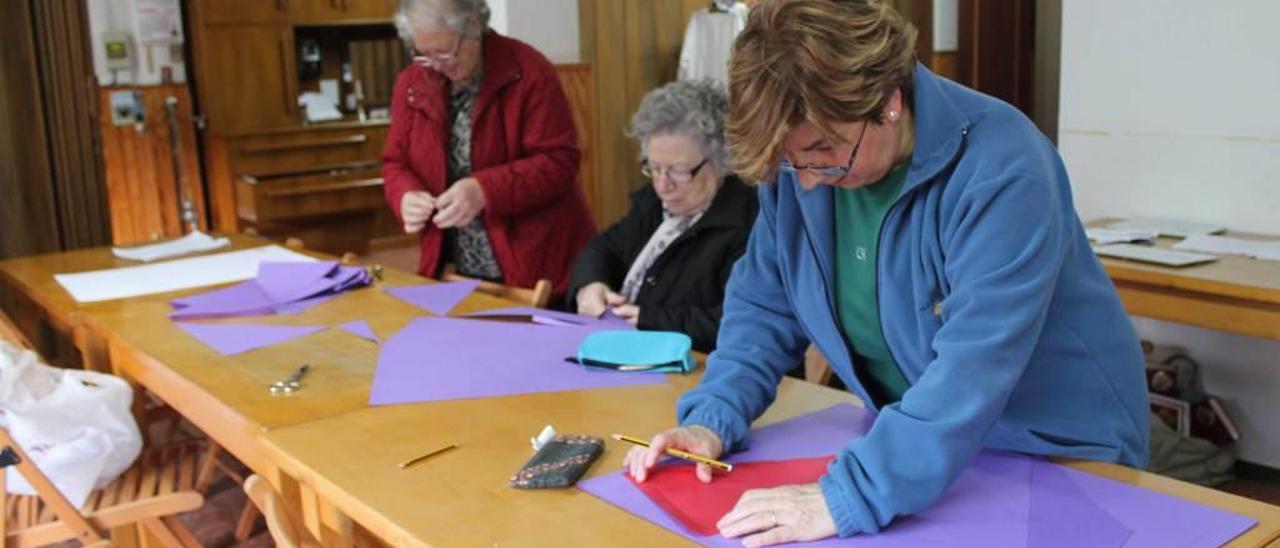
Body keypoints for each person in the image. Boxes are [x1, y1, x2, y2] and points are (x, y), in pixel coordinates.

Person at [624, 1, 1150, 545]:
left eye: (823, 152)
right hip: (921, 451)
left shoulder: (1004, 166)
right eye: (789, 162)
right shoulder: (803, 168)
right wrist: (712, 417)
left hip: (1051, 451)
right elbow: (764, 304)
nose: (805, 183)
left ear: (890, 103)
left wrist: (848, 494)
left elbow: (974, 364)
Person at [383, 0, 596, 297]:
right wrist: (405, 194)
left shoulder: (528, 71)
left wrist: (484, 190)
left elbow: (559, 162)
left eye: (446, 52)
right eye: (424, 55)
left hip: (536, 267)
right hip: (454, 266)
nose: (437, 65)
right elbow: (395, 162)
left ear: (473, 26)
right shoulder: (412, 83)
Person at [568, 80, 757, 352]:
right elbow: (603, 248)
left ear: (721, 160)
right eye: (654, 168)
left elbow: (742, 324)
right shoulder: (655, 204)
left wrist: (647, 321)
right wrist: (590, 285)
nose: (663, 185)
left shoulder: (748, 222)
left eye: (679, 171)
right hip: (626, 353)